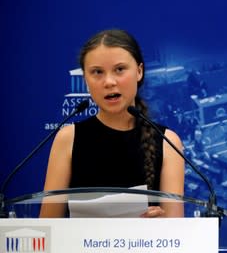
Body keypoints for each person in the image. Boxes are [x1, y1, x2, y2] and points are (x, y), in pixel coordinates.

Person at [40, 29, 185, 218]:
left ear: (139, 71)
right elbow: (47, 228)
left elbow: (177, 234)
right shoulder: (68, 138)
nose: (109, 82)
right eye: (97, 72)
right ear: (85, 79)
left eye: (119, 69)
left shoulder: (168, 141)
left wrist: (160, 224)